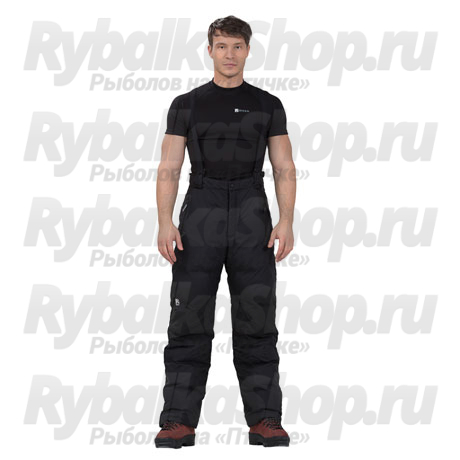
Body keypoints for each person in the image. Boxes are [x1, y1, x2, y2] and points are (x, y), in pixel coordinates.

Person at [155, 15, 296, 448]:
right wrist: (165, 221)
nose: (229, 54)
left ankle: (265, 420)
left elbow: (284, 166)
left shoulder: (268, 104)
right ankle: (178, 421)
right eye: (221, 46)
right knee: (188, 318)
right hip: (202, 209)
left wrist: (286, 220)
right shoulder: (187, 104)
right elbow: (169, 166)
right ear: (210, 51)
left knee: (256, 318)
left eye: (237, 46)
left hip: (252, 211)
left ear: (248, 50)